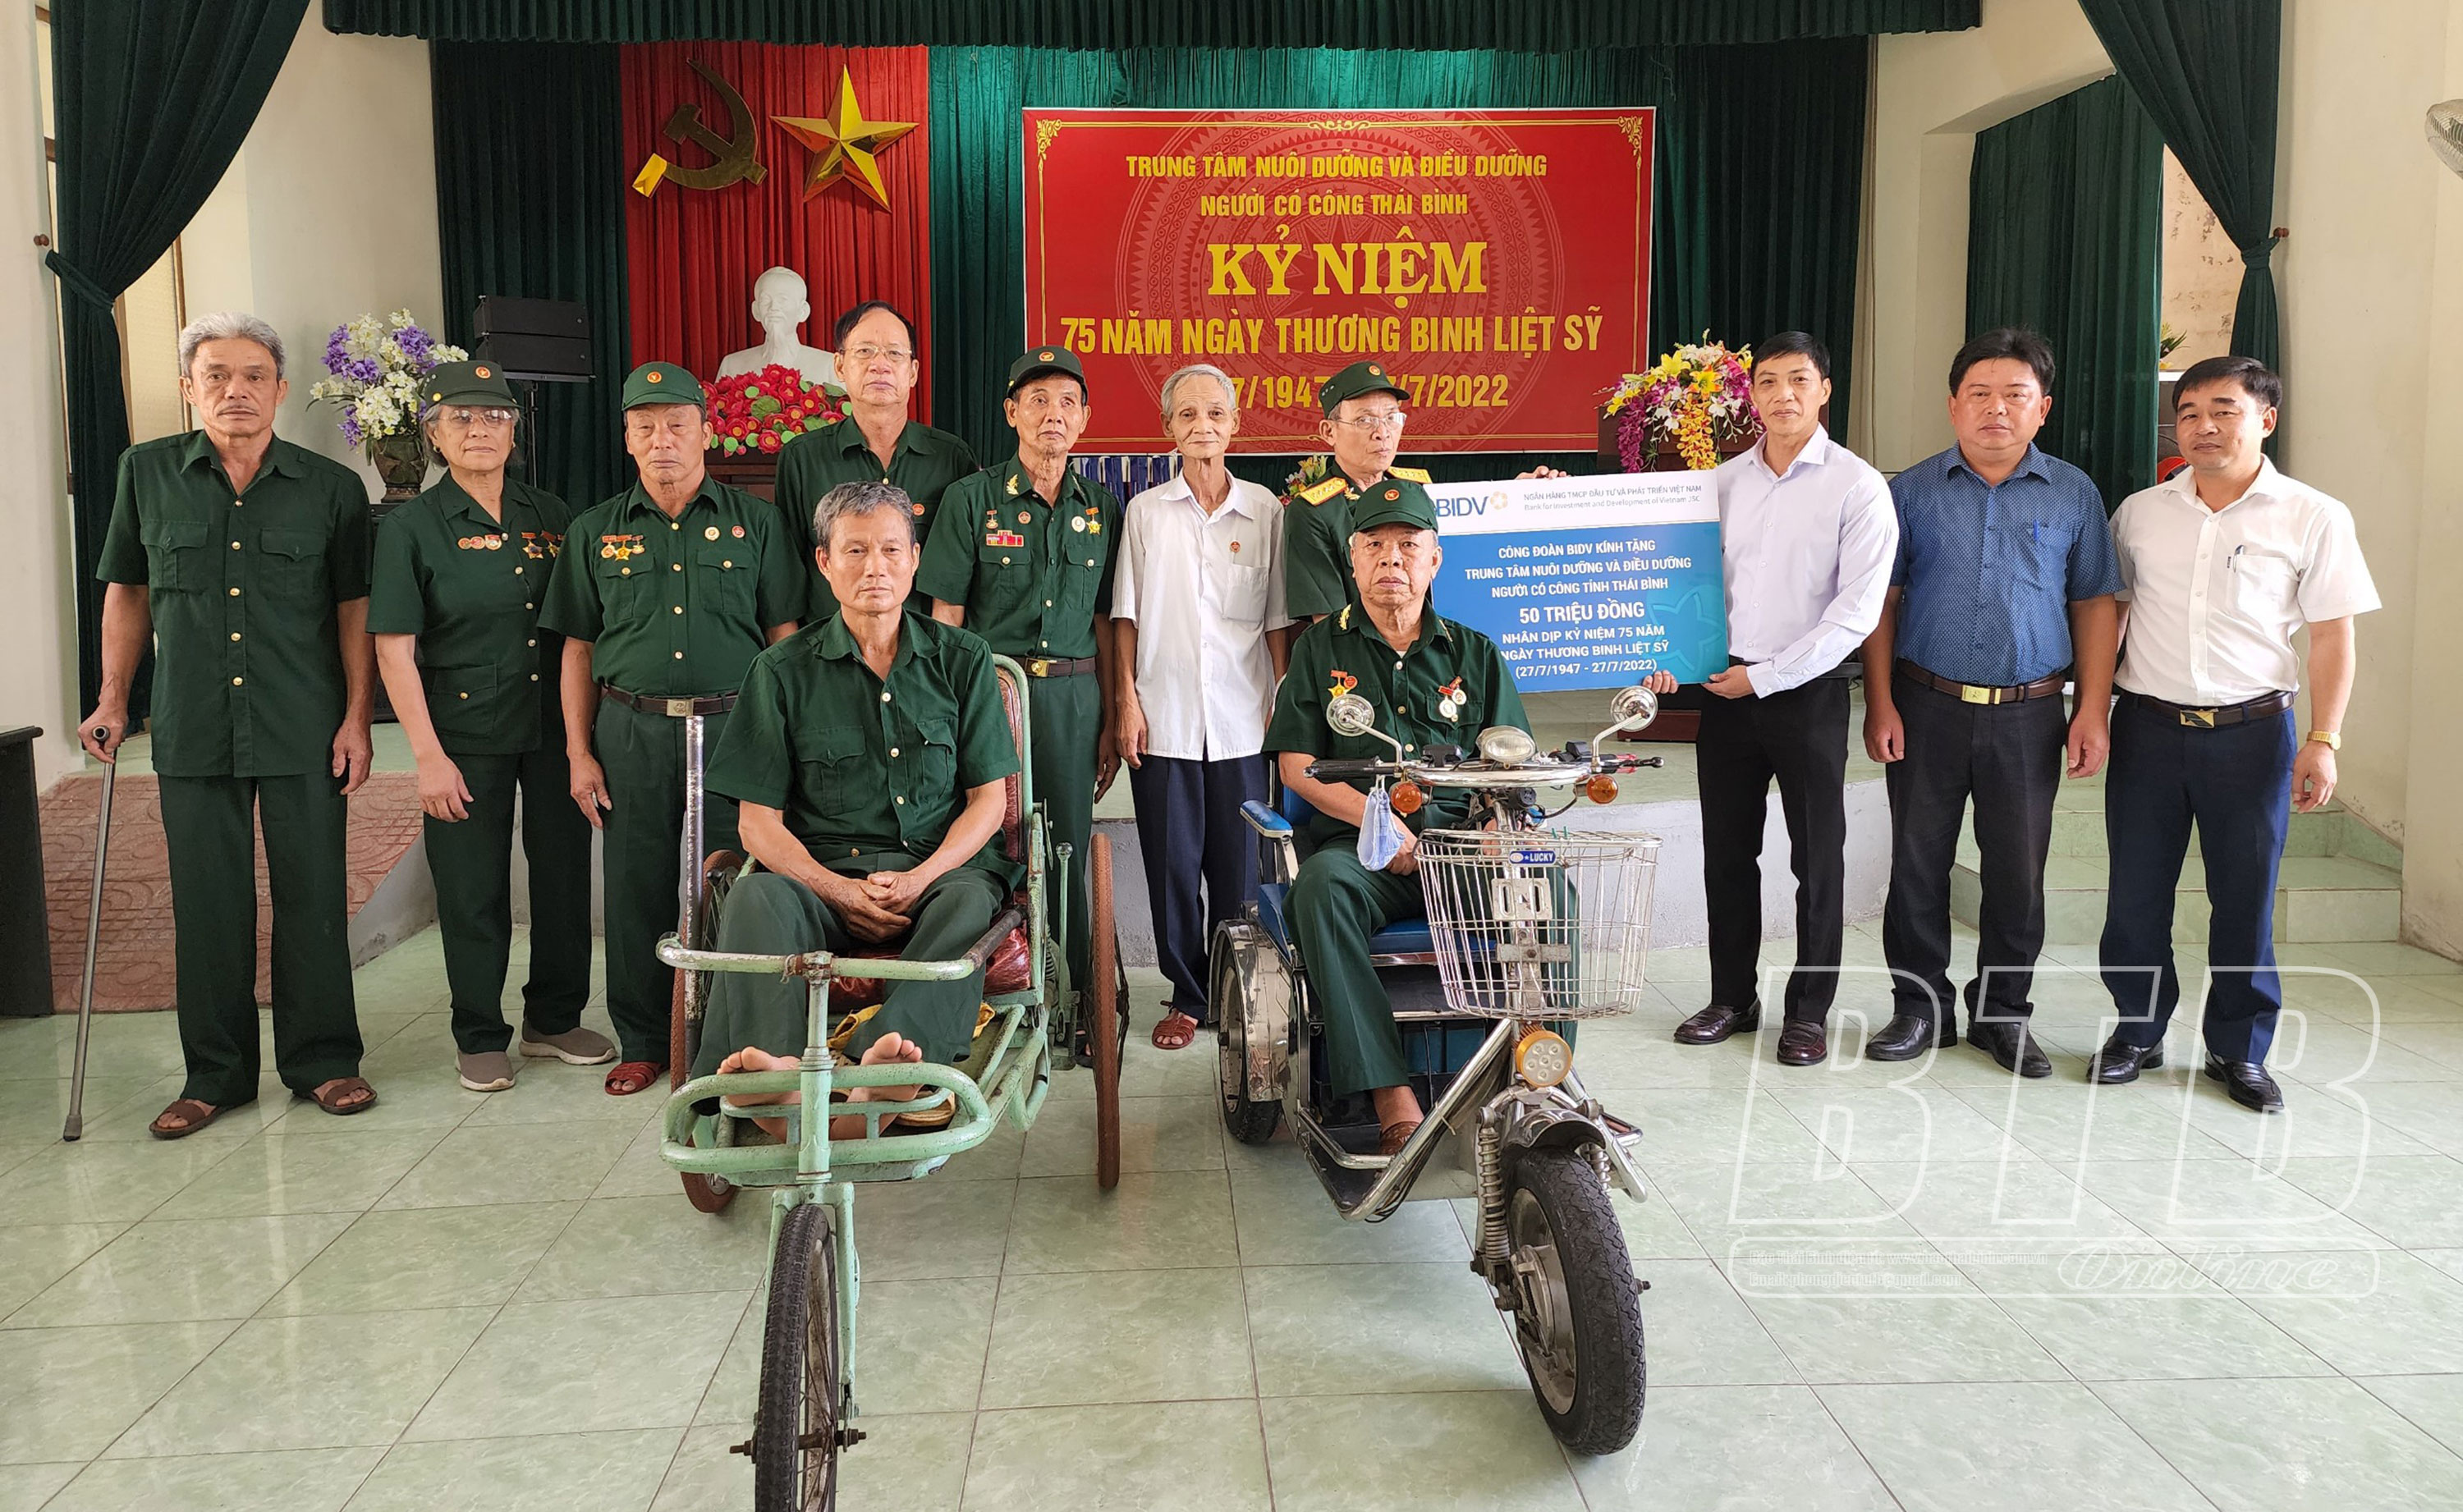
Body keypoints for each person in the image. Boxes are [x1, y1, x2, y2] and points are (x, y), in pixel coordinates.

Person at [85, 310, 378, 1135]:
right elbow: (128, 592)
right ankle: (215, 1076)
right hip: (193, 724)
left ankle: (324, 1062)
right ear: (189, 388)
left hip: (302, 722)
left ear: (280, 390)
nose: (235, 390)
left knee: (312, 897)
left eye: (253, 376)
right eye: (216, 375)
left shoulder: (331, 488)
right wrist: (112, 697)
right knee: (208, 906)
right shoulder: (145, 473)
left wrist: (358, 717)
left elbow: (355, 610)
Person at [2089, 356, 2378, 1113]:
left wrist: (2324, 738)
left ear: (2266, 420)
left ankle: (2239, 1050)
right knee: (2135, 895)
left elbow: (2333, 636)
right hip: (2148, 729)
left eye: (2225, 409)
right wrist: (2090, 708)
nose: (2204, 426)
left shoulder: (2313, 515)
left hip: (2253, 734)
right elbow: (2111, 616)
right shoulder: (2141, 512)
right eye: (2188, 412)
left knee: (2245, 900)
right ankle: (2137, 1031)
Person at [691, 480, 1018, 1125]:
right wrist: (836, 890)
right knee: (755, 894)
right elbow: (757, 824)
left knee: (970, 900)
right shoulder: (779, 671)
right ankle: (773, 1075)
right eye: (856, 550)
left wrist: (921, 876)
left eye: (892, 550)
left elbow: (987, 801)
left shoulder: (964, 660)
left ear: (915, 559)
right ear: (824, 561)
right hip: (820, 878)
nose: (876, 568)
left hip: (936, 874)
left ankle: (892, 1068)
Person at [1858, 329, 2121, 1079]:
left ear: (2043, 408)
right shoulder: (1910, 492)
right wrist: (1879, 702)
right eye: (1979, 394)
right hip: (1925, 704)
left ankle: (2004, 1015)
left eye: (2014, 395)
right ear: (1953, 406)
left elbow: (2095, 604)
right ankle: (1920, 1009)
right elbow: (1882, 602)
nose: (1995, 409)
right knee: (1917, 864)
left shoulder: (2073, 493)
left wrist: (2091, 709)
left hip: (2030, 714)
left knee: (2017, 873)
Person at [540, 362, 803, 1094]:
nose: (663, 440)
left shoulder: (756, 523)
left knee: (739, 882)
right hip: (633, 730)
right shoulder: (595, 531)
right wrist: (579, 752)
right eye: (646, 426)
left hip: (734, 728)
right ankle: (643, 1039)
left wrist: (783, 742)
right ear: (626, 437)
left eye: (677, 424)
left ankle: (731, 1035)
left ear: (705, 431)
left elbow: (783, 638)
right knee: (635, 888)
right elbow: (578, 650)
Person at [368, 360, 609, 1093]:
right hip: (462, 735)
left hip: (554, 727)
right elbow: (394, 650)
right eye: (462, 418)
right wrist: (426, 757)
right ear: (435, 436)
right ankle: (478, 1032)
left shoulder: (552, 514)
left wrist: (583, 740)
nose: (481, 430)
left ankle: (553, 1019)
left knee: (563, 877)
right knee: (471, 889)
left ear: (515, 431)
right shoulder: (410, 526)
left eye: (496, 417)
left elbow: (579, 630)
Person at [1266, 480, 1527, 1154]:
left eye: (1408, 545)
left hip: (1460, 852)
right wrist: (1381, 827)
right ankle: (1390, 1095)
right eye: (1374, 545)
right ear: (1352, 562)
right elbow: (1297, 768)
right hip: (1364, 855)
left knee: (1548, 889)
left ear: (1434, 560)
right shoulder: (1320, 650)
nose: (1391, 559)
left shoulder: (1475, 653)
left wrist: (1497, 829)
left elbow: (1512, 765)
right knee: (1319, 891)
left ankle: (1537, 1081)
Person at [1671, 332, 1897, 1067]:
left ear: (1825, 389)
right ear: (1751, 394)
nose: (1783, 395)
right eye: (1767, 381)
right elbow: (1682, 583)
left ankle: (1808, 1014)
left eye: (1799, 379)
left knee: (1817, 861)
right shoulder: (1720, 484)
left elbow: (1856, 614)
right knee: (1727, 854)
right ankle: (1732, 998)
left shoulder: (1858, 486)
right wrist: (1667, 657)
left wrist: (1766, 676)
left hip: (1808, 695)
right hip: (1724, 691)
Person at [919, 346, 1119, 1025]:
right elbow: (945, 618)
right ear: (1011, 413)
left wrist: (1111, 716)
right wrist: (945, 715)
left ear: (1085, 418)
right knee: (987, 844)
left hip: (1071, 701)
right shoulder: (970, 500)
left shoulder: (1102, 508)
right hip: (991, 698)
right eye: (1037, 401)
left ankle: (1079, 1000)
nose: (1052, 414)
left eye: (1066, 402)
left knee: (1065, 846)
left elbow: (1106, 621)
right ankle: (993, 995)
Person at [1114, 363, 1292, 1050]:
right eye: (1187, 415)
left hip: (1245, 719)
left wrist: (1281, 701)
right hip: (1165, 719)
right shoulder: (1145, 512)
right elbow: (1125, 616)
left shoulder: (1265, 510)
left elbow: (1276, 619)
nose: (1202, 426)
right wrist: (1126, 701)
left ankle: (1237, 991)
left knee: (1241, 868)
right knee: (1172, 867)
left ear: (1235, 424)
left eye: (1214, 414)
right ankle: (1188, 996)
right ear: (1168, 427)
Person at [1282, 359, 1569, 622]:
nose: (1382, 432)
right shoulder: (1314, 512)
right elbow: (1329, 628)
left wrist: (1519, 499)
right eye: (1364, 420)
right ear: (1329, 432)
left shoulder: (1419, 491)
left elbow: (1472, 551)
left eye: (1392, 418)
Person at [771, 300, 978, 621]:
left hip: (924, 647)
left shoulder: (951, 458)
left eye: (894, 353)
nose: (879, 365)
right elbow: (785, 576)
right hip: (827, 645)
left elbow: (961, 578)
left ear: (913, 371)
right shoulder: (803, 458)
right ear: (840, 366)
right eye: (865, 351)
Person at [715, 266, 838, 387]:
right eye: (765, 300)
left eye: (783, 300)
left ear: (803, 312)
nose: (773, 307)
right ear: (756, 311)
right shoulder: (732, 365)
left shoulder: (828, 365)